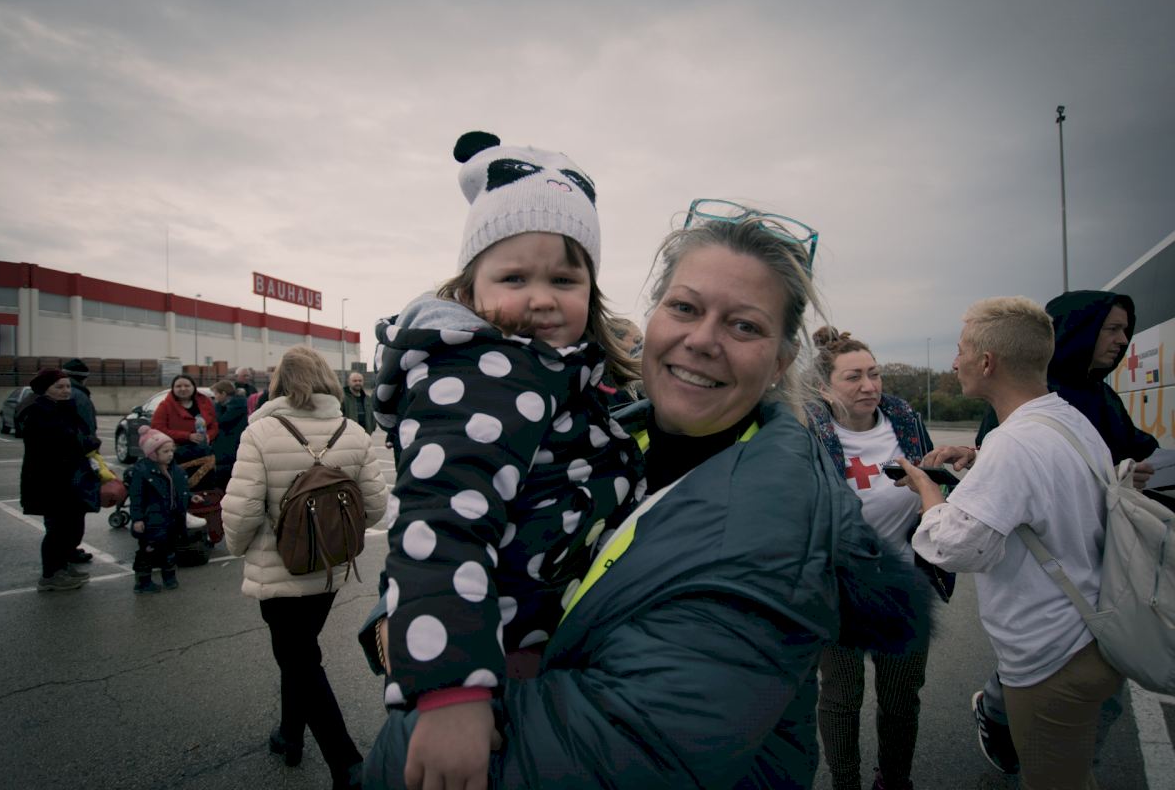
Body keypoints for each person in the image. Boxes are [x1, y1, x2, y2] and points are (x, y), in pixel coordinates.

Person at [365, 201, 929, 789]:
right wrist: (409, 615)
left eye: (744, 326)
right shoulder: (606, 437)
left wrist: (415, 704)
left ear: (781, 361)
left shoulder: (774, 534)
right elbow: (456, 522)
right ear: (653, 317)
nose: (702, 340)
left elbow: (601, 756)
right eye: (684, 307)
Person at [366, 131, 645, 790]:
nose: (542, 297)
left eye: (564, 279)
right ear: (470, 288)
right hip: (504, 662)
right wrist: (451, 692)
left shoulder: (553, 372)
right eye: (514, 278)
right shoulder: (482, 372)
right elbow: (442, 521)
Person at [901, 296, 1122, 790]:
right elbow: (1046, 485)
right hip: (1091, 635)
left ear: (987, 362)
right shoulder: (1065, 419)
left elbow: (956, 547)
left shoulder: (1013, 444)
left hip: (1052, 658)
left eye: (961, 351)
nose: (954, 362)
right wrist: (980, 457)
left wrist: (927, 491)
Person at [959, 290, 1158, 774]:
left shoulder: (1088, 401)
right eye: (1111, 328)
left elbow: (961, 538)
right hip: (1063, 604)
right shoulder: (1047, 408)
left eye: (1125, 329)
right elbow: (1011, 485)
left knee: (1062, 738)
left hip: (1088, 592)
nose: (1122, 340)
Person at [222, 345, 388, 790]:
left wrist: (238, 548)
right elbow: (375, 508)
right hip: (329, 569)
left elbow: (242, 512)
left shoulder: (260, 432)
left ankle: (347, 763)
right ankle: (290, 734)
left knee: (298, 657)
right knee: (297, 652)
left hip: (279, 567)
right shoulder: (352, 431)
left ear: (279, 382)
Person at [805, 327, 947, 790]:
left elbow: (932, 486)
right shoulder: (808, 433)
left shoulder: (905, 422)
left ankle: (895, 780)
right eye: (853, 377)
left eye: (875, 373)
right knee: (841, 699)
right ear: (824, 387)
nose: (869, 386)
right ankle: (846, 783)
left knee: (902, 699)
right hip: (839, 587)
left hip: (905, 582)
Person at [19, 369, 101, 591]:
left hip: (69, 478)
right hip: (50, 480)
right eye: (59, 387)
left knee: (69, 526)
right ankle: (50, 575)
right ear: (45, 389)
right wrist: (87, 443)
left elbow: (78, 435)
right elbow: (62, 443)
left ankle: (62, 566)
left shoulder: (62, 408)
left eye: (67, 386)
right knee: (57, 529)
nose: (66, 391)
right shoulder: (38, 412)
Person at [129, 426, 196, 594]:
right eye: (165, 451)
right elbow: (136, 497)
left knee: (169, 549)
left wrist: (190, 497)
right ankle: (143, 581)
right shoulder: (142, 471)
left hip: (171, 518)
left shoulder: (176, 470)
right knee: (148, 551)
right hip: (151, 520)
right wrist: (137, 518)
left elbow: (180, 491)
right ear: (153, 454)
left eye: (171, 450)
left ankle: (169, 577)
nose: (170, 454)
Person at [62, 358, 98, 565]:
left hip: (63, 462)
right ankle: (68, 551)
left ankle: (65, 551)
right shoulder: (80, 397)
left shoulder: (60, 396)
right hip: (76, 462)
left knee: (63, 512)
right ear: (84, 378)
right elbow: (87, 431)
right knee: (75, 509)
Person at [151, 373, 218, 468]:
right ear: (173, 389)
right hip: (177, 454)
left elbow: (214, 425)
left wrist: (208, 436)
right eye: (178, 386)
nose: (183, 389)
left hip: (204, 453)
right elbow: (158, 429)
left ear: (193, 387)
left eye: (187, 386)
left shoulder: (205, 402)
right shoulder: (165, 406)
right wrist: (187, 436)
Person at [210, 379, 248, 486]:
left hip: (230, 446)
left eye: (216, 394)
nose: (215, 397)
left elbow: (221, 421)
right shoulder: (231, 405)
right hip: (227, 446)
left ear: (223, 393)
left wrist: (217, 406)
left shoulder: (236, 407)